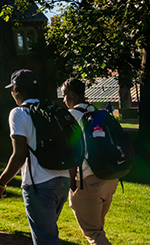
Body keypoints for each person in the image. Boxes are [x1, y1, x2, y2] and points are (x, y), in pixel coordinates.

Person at [0, 69, 70, 245]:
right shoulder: (52, 110)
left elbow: (19, 155)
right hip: (63, 180)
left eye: (12, 90)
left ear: (16, 91)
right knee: (49, 234)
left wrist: (1, 183)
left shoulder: (19, 113)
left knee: (45, 239)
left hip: (39, 184)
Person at [62, 78, 119, 245]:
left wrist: (72, 183)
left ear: (72, 94)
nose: (64, 100)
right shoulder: (97, 112)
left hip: (87, 180)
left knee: (94, 234)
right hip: (110, 177)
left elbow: (70, 152)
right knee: (98, 228)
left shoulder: (70, 117)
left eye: (65, 96)